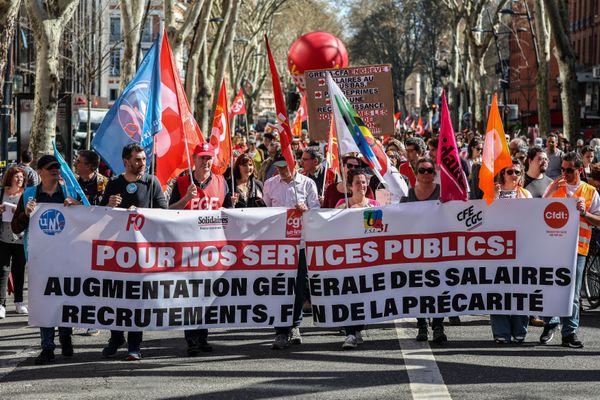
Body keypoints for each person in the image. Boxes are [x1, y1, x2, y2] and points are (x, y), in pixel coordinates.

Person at [100, 144, 167, 361]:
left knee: (136, 298)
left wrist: (141, 214)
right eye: (137, 160)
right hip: (117, 251)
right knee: (116, 296)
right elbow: (100, 215)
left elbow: (164, 213)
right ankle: (116, 337)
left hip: (141, 252)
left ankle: (134, 344)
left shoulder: (151, 182)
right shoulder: (114, 184)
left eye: (143, 159)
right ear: (126, 162)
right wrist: (108, 205)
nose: (142, 163)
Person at [11, 155, 80, 364]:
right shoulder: (30, 195)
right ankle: (48, 347)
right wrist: (25, 214)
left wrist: (77, 207)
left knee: (65, 299)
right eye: (50, 168)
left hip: (66, 257)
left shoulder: (68, 192)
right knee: (45, 303)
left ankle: (66, 337)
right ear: (40, 171)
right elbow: (15, 228)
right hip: (40, 259)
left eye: (57, 168)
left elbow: (86, 221)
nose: (55, 171)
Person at [169, 143, 233, 355]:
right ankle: (192, 338)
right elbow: (167, 212)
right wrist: (186, 198)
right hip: (187, 247)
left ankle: (203, 335)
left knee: (207, 293)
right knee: (190, 293)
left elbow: (231, 215)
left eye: (209, 158)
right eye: (202, 158)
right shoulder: (182, 182)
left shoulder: (222, 182)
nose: (205, 162)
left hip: (212, 249)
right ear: (194, 159)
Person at [541, 152, 600, 348]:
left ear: (580, 170)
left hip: (578, 248)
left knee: (573, 293)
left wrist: (584, 213)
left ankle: (570, 333)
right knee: (551, 287)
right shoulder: (556, 185)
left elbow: (598, 221)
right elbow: (537, 211)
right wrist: (550, 193)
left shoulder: (590, 191)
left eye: (569, 170)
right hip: (553, 246)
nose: (564, 173)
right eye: (562, 169)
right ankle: (550, 323)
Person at [263, 154, 320, 349]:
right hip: (278, 245)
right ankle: (280, 331)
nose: (280, 170)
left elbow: (317, 210)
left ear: (293, 164)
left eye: (284, 167)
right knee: (279, 286)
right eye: (277, 167)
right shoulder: (270, 184)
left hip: (301, 243)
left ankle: (295, 325)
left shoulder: (307, 183)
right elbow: (265, 212)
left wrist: (306, 209)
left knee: (298, 287)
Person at [400, 158, 447, 344]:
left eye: (429, 171)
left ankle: (438, 325)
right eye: (422, 170)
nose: (426, 174)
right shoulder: (408, 195)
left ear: (434, 174)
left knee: (439, 288)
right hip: (415, 251)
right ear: (416, 173)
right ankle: (421, 325)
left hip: (439, 250)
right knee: (418, 288)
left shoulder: (443, 194)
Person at [334, 168, 379, 349]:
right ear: (350, 187)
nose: (362, 186)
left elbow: (375, 232)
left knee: (364, 296)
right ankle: (350, 333)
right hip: (347, 259)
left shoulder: (374, 206)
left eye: (364, 182)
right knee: (349, 295)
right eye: (358, 182)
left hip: (368, 260)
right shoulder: (341, 205)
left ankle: (358, 328)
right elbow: (334, 229)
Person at [490, 159, 531, 343]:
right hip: (496, 250)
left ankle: (519, 329)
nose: (514, 175)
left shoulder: (526, 194)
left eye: (517, 172)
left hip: (521, 249)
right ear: (502, 174)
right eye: (510, 172)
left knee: (520, 290)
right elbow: (485, 218)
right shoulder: (492, 193)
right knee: (498, 291)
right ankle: (501, 332)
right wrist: (495, 196)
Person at [0, 166, 27, 320]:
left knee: (19, 271)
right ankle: (1, 304)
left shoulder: (26, 194)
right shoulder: (1, 192)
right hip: (3, 237)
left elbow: (31, 214)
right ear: (10, 177)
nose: (19, 179)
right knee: (2, 271)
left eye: (22, 177)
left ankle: (19, 302)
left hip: (20, 239)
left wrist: (19, 211)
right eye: (17, 176)